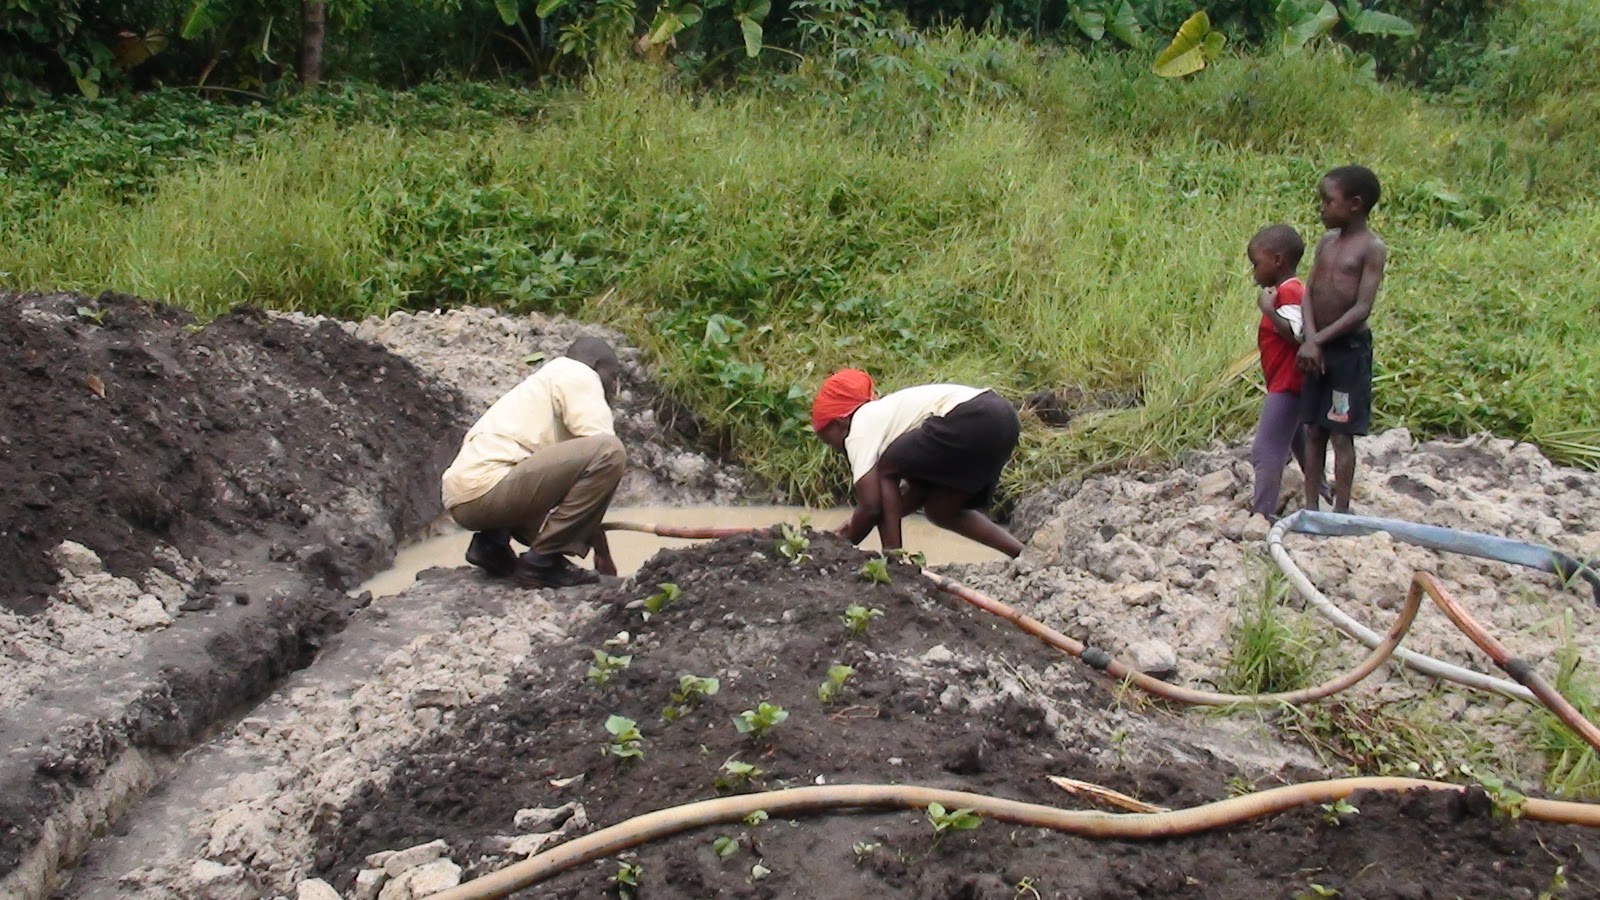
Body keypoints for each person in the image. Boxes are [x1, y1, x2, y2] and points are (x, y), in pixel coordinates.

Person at [440, 337, 626, 588]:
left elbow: (568, 486)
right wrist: (602, 553)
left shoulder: (542, 386)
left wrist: (597, 546)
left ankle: (492, 544)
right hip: (490, 490)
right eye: (612, 376)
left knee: (539, 468)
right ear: (596, 364)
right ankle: (540, 565)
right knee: (610, 450)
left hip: (467, 501)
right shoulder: (579, 374)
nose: (613, 387)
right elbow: (603, 453)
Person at [811, 369, 1024, 558]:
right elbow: (908, 498)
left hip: (974, 415)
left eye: (827, 438)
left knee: (885, 471)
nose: (835, 447)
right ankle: (1022, 554)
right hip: (1003, 420)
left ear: (839, 423)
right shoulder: (895, 420)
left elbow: (871, 507)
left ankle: (894, 559)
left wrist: (838, 547)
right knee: (941, 510)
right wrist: (852, 524)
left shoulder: (862, 424)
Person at [1298, 165, 1387, 514]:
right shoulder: (1326, 242)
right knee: (1314, 429)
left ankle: (1341, 510)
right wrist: (1309, 339)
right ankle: (1310, 506)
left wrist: (1317, 339)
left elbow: (1361, 308)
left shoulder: (1371, 248)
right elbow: (1309, 292)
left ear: (1355, 204)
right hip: (1314, 350)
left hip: (1346, 353)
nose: (1322, 208)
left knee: (1340, 430)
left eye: (1328, 201)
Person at [1247, 223, 1311, 518]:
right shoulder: (1289, 292)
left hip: (1288, 384)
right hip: (1291, 383)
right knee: (1302, 445)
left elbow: (1299, 334)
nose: (1253, 273)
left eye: (1256, 264)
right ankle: (1321, 495)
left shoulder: (1290, 293)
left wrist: (1269, 311)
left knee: (1266, 451)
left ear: (1277, 260)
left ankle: (1262, 515)